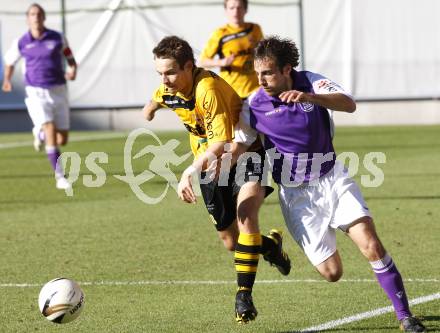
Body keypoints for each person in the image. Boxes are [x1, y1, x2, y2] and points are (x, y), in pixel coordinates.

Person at [232, 36, 426, 332]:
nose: (261, 80)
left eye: (267, 72)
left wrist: (310, 98)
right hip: (297, 196)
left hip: (332, 179)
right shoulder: (253, 106)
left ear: (286, 70)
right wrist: (209, 164)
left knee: (371, 244)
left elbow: (348, 104)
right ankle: (279, 247)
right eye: (257, 73)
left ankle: (405, 317)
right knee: (332, 273)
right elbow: (240, 145)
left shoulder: (312, 82)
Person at [142, 35, 290, 324]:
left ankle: (243, 295)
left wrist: (188, 172)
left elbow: (222, 143)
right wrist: (149, 108)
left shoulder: (207, 88)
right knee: (232, 242)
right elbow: (159, 96)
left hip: (244, 152)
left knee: (246, 215)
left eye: (171, 72)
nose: (165, 79)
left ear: (188, 66)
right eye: (160, 73)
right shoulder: (168, 87)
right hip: (211, 166)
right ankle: (270, 247)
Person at [2, 3, 77, 190]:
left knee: (62, 140)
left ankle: (40, 133)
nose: (36, 17)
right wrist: (7, 80)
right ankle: (60, 176)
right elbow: (10, 61)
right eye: (32, 14)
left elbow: (69, 56)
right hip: (36, 92)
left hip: (59, 90)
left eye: (39, 14)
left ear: (44, 17)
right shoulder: (22, 41)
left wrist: (73, 69)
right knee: (50, 128)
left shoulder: (57, 38)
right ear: (28, 18)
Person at [199, 0, 262, 100]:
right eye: (232, 8)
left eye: (239, 7)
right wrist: (222, 62)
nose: (236, 12)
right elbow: (203, 61)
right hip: (231, 91)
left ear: (245, 9)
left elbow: (263, 54)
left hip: (255, 90)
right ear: (226, 11)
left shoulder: (255, 29)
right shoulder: (220, 34)